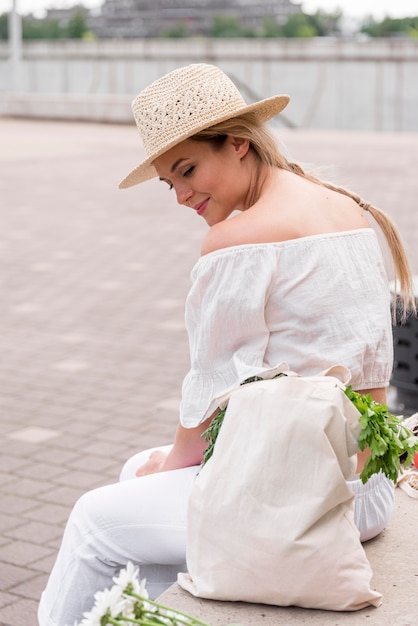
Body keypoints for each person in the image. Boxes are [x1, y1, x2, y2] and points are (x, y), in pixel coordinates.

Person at [38, 63, 416, 626]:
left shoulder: (238, 237)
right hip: (368, 491)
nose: (180, 194)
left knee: (94, 520)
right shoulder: (344, 208)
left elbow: (209, 390)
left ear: (238, 143)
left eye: (187, 170)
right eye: (170, 181)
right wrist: (164, 464)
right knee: (136, 470)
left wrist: (173, 463)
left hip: (308, 504)